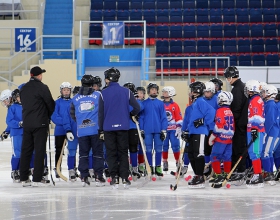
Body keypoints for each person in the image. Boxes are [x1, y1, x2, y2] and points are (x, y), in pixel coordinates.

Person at [98, 67, 140, 189]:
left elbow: (100, 113)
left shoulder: (103, 93)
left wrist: (100, 129)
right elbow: (137, 107)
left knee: (111, 153)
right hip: (123, 127)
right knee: (122, 152)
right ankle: (125, 178)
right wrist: (129, 114)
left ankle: (114, 177)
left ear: (107, 79)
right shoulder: (126, 92)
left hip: (108, 128)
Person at [19, 66, 55, 187]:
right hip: (40, 123)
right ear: (39, 76)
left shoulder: (23, 89)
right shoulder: (42, 87)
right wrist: (47, 115)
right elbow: (50, 104)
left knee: (26, 150)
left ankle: (23, 177)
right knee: (39, 151)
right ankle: (37, 179)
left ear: (30, 75)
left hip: (27, 123)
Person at [70, 75, 105, 187]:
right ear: (92, 84)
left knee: (83, 154)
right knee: (98, 154)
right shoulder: (98, 95)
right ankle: (98, 176)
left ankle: (84, 176)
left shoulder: (75, 98)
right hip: (95, 130)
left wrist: (81, 122)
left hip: (82, 131)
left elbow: (72, 114)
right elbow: (102, 112)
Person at [181, 81, 215, 188]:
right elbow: (189, 120)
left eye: (191, 90)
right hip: (193, 133)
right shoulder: (193, 104)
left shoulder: (201, 102)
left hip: (200, 133)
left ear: (196, 91)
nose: (190, 93)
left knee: (198, 154)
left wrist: (203, 121)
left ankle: (200, 177)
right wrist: (185, 131)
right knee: (191, 154)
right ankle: (197, 175)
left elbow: (212, 112)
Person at [224, 66, 248, 182]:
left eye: (227, 77)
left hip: (239, 124)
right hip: (242, 122)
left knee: (239, 147)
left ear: (230, 77)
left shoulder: (237, 88)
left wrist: (234, 122)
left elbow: (236, 108)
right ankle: (239, 169)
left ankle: (240, 171)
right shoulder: (241, 86)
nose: (227, 80)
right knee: (239, 147)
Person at [139, 83, 168, 179]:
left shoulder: (160, 103)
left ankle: (158, 167)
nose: (154, 91)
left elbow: (164, 117)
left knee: (159, 149)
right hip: (147, 130)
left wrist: (164, 130)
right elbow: (141, 117)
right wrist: (142, 129)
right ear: (148, 91)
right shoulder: (144, 103)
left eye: (155, 89)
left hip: (158, 130)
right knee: (148, 149)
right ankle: (149, 167)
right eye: (152, 89)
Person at [208, 91, 235, 188]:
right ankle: (226, 174)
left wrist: (212, 137)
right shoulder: (230, 111)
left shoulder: (220, 110)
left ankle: (218, 175)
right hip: (229, 138)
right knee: (227, 157)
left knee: (215, 156)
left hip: (221, 138)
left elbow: (219, 126)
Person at [244, 80, 265, 188]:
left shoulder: (255, 101)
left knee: (255, 152)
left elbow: (256, 117)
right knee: (253, 153)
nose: (247, 91)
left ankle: (258, 175)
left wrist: (254, 130)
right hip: (254, 129)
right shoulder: (255, 100)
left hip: (255, 130)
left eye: (248, 89)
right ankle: (257, 173)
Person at [51, 82, 72, 178]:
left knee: (72, 149)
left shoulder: (73, 102)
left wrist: (70, 125)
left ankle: (72, 168)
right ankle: (57, 167)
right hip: (60, 130)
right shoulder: (57, 102)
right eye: (64, 90)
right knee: (59, 150)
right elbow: (54, 116)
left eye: (68, 90)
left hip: (71, 130)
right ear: (61, 91)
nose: (66, 92)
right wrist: (65, 122)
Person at [123, 82, 143, 181]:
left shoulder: (136, 100)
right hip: (123, 128)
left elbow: (140, 107)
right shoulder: (122, 100)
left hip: (133, 128)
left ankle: (134, 168)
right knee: (123, 150)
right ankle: (126, 168)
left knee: (134, 149)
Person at [161, 86, 183, 172]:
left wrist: (179, 127)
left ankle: (178, 161)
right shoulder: (161, 104)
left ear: (170, 93)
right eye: (163, 92)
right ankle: (165, 161)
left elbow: (178, 117)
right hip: (164, 130)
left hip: (173, 130)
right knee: (164, 146)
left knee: (175, 146)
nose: (163, 93)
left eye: (165, 92)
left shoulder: (175, 105)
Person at [262, 84, 278, 185]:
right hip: (271, 131)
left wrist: (265, 132)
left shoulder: (271, 104)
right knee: (269, 152)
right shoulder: (268, 103)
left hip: (271, 132)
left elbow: (270, 120)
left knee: (266, 152)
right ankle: (269, 172)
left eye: (264, 92)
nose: (262, 93)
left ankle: (269, 174)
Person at [5, 89, 23, 183]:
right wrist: (18, 124)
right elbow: (9, 121)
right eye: (19, 96)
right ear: (15, 98)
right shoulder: (12, 107)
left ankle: (23, 169)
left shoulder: (27, 106)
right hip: (16, 133)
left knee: (26, 152)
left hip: (26, 133)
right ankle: (15, 170)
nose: (20, 98)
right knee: (17, 152)